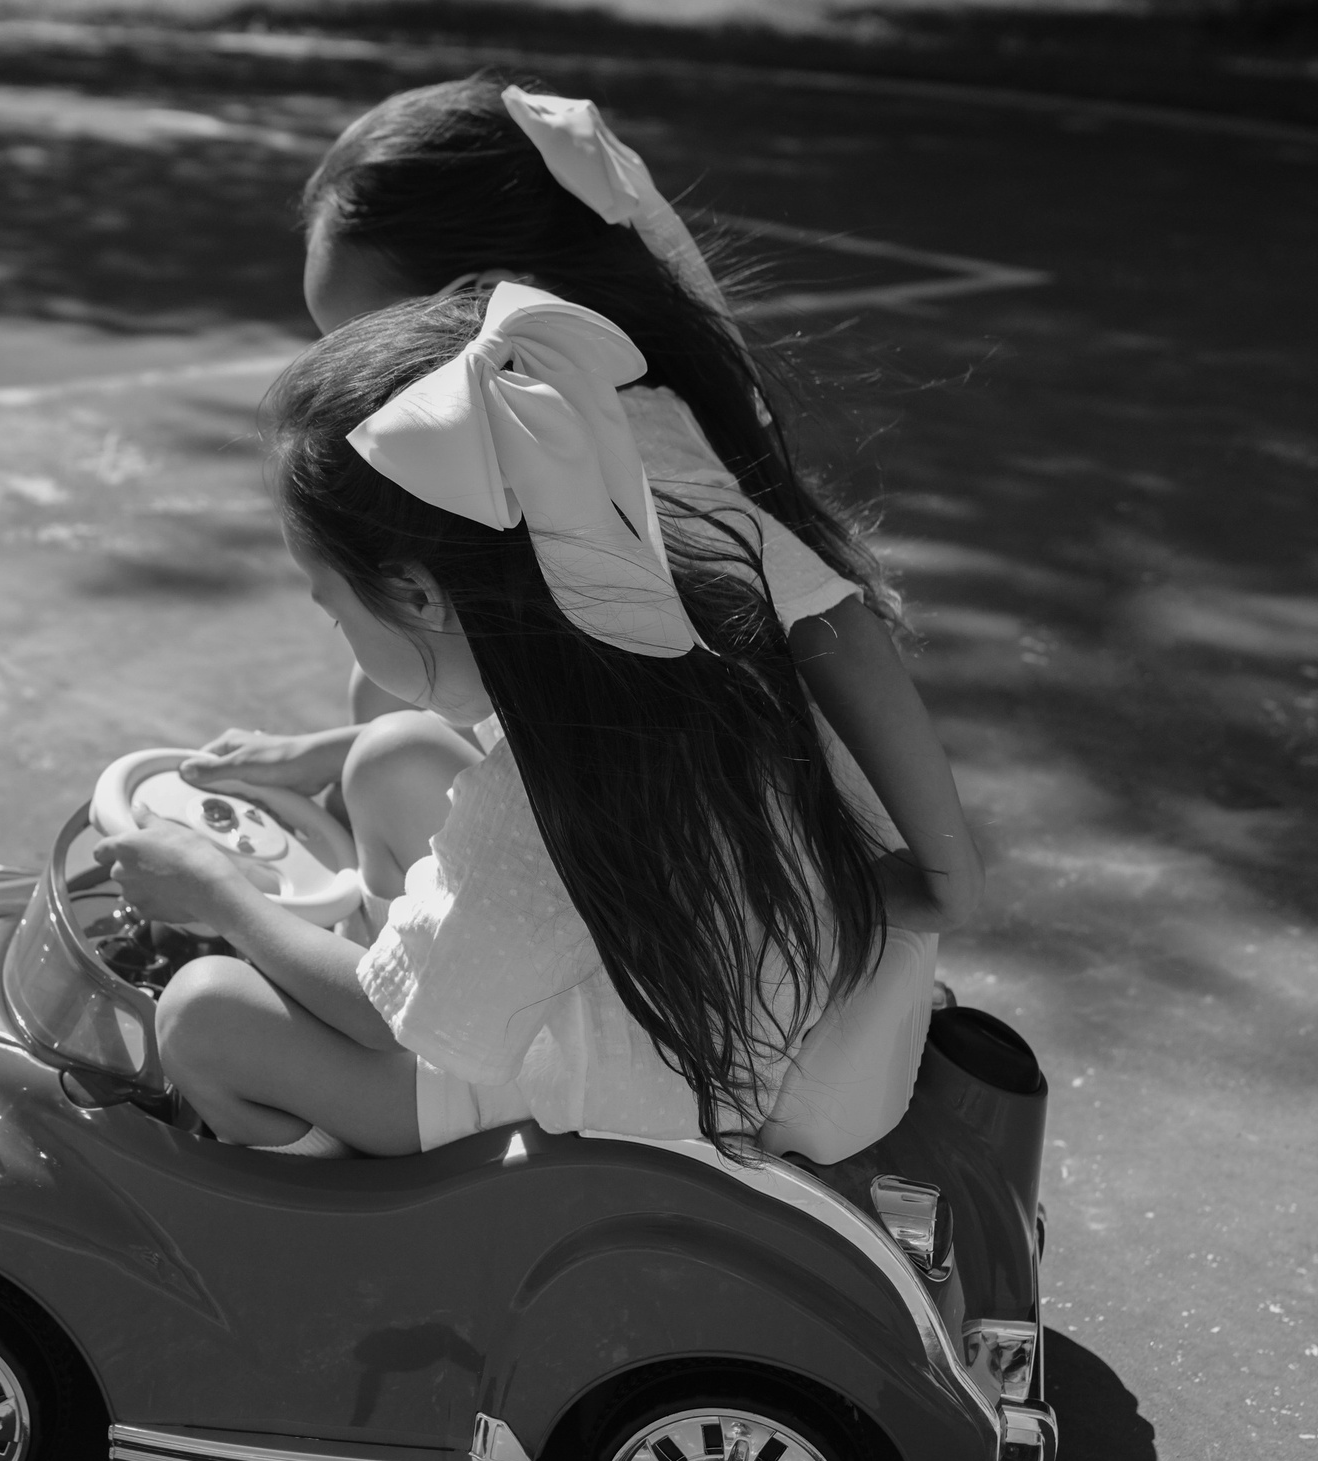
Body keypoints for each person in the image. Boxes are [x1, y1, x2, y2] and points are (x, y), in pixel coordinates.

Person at [95, 284, 911, 1162]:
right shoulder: (656, 655)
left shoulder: (540, 805)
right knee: (391, 751)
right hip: (680, 1021)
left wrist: (217, 891)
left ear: (415, 593)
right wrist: (323, 755)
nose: (337, 628)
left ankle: (342, 1207)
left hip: (604, 1103)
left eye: (334, 608)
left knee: (204, 1012)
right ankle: (371, 962)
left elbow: (380, 1021)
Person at [183, 74, 981, 950]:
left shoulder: (611, 453)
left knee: (386, 761)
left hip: (728, 918)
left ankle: (408, 1022)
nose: (352, 375)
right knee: (381, 690)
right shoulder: (564, 406)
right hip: (707, 848)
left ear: (483, 295)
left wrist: (940, 883)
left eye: (365, 335)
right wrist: (331, 749)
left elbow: (828, 617)